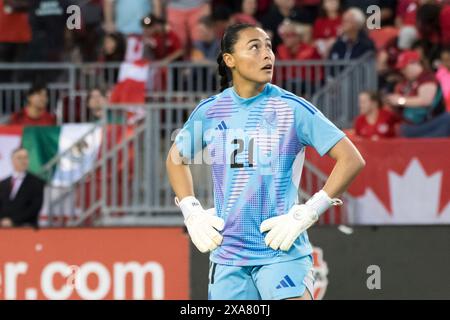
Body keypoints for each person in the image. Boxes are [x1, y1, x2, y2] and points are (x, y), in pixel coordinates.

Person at [166, 23, 365, 300]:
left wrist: (308, 213)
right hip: (228, 256)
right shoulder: (210, 111)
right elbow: (176, 158)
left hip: (281, 250)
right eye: (255, 47)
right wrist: (191, 210)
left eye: (269, 46)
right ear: (229, 60)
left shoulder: (292, 108)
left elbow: (351, 159)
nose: (267, 54)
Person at [386, 50, 448, 137]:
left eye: (404, 67)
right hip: (410, 125)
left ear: (414, 63)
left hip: (430, 124)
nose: (403, 71)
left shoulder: (427, 78)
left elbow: (425, 100)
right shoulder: (408, 82)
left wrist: (400, 100)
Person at [0, 147, 45, 228]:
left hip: (26, 228)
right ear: (12, 160)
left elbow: (35, 207)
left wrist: (13, 221)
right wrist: (2, 220)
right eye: (19, 158)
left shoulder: (36, 182)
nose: (23, 161)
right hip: (3, 229)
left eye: (25, 157)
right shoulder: (3, 183)